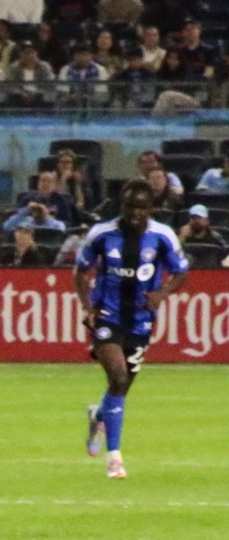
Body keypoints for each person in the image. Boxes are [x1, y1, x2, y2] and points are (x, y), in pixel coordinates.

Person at [74, 180, 187, 479]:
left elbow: (181, 272)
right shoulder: (102, 234)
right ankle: (114, 459)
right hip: (107, 317)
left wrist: (162, 294)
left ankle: (99, 415)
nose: (136, 213)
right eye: (130, 206)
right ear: (121, 206)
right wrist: (88, 307)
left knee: (120, 388)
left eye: (142, 207)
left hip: (141, 320)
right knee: (118, 375)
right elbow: (80, 272)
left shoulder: (163, 236)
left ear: (151, 208)